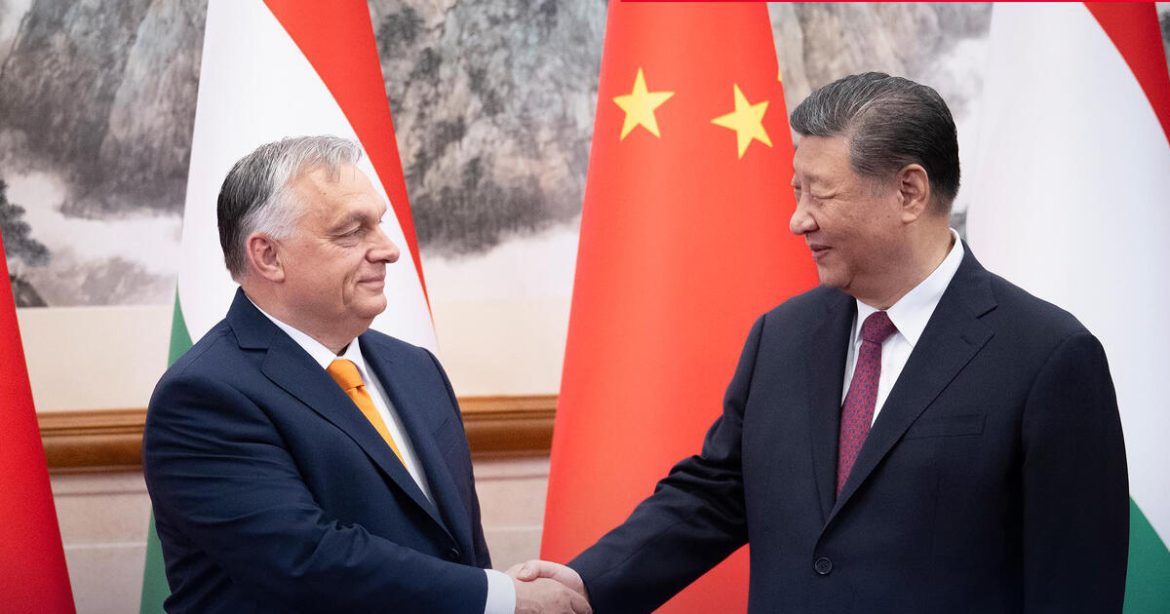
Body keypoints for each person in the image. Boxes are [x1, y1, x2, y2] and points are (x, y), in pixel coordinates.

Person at [515, 73, 1129, 612]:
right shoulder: (781, 337)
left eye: (821, 193)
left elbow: (1073, 588)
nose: (798, 219)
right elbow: (714, 496)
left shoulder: (1048, 357)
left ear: (909, 192)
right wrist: (585, 585)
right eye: (796, 191)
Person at [143, 136, 589, 614]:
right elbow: (306, 562)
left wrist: (495, 596)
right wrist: (499, 597)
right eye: (352, 232)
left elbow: (457, 549)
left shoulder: (415, 368)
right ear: (268, 256)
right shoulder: (204, 395)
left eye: (379, 224)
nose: (389, 250)